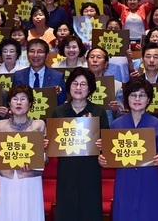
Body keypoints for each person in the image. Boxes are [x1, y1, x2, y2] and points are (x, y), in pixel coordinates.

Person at [97, 78, 158, 221]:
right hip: (125, 178)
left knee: (149, 213)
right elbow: (108, 155)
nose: (137, 99)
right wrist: (102, 158)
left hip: (148, 178)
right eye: (133, 95)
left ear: (148, 100)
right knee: (124, 212)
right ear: (126, 98)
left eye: (142, 95)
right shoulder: (116, 125)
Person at [52, 67, 109, 221]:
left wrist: (103, 144)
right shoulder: (59, 112)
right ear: (69, 86)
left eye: (83, 84)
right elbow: (53, 143)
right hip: (67, 169)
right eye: (75, 83)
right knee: (66, 208)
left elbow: (108, 144)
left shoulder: (98, 112)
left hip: (90, 169)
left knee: (89, 208)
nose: (78, 88)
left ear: (90, 88)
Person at [0, 85, 46, 221]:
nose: (18, 102)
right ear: (9, 103)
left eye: (23, 99)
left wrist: (36, 162)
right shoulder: (0, 125)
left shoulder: (39, 125)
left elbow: (44, 158)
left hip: (30, 179)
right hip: (7, 179)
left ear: (30, 104)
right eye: (15, 99)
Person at [13, 38, 67, 105]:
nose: (35, 55)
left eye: (40, 52)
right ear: (27, 54)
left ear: (47, 56)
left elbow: (61, 103)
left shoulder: (57, 77)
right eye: (32, 51)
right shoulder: (18, 76)